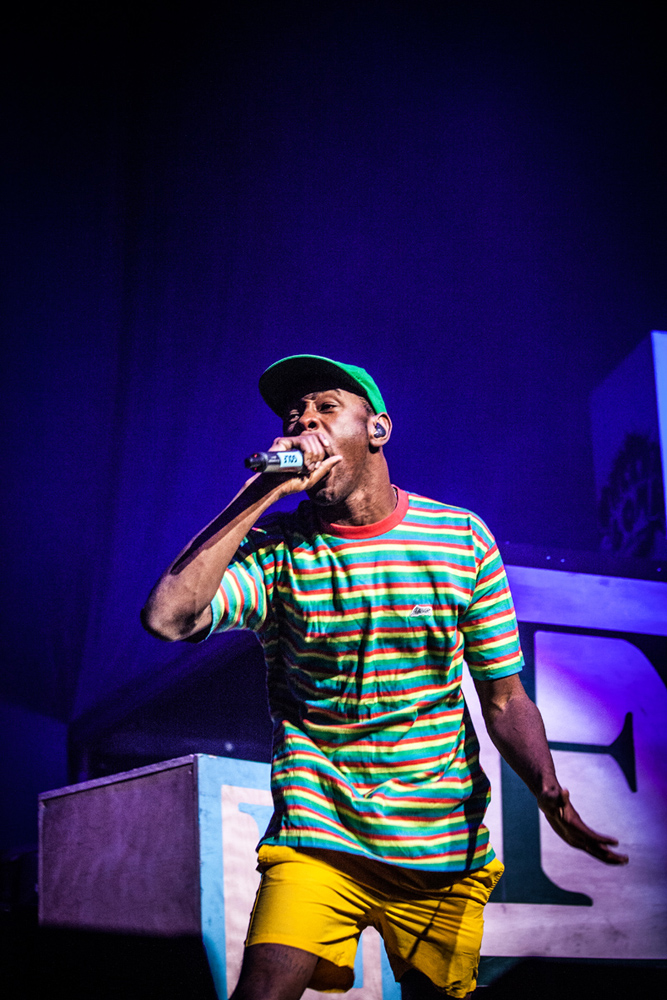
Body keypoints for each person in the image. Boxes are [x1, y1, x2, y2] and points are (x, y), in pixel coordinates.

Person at [142, 355, 627, 1000]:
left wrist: (548, 787)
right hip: (318, 835)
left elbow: (505, 699)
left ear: (378, 430)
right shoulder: (279, 551)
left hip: (438, 843)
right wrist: (260, 494)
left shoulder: (458, 539)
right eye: (293, 416)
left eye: (324, 409)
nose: (303, 425)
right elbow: (169, 618)